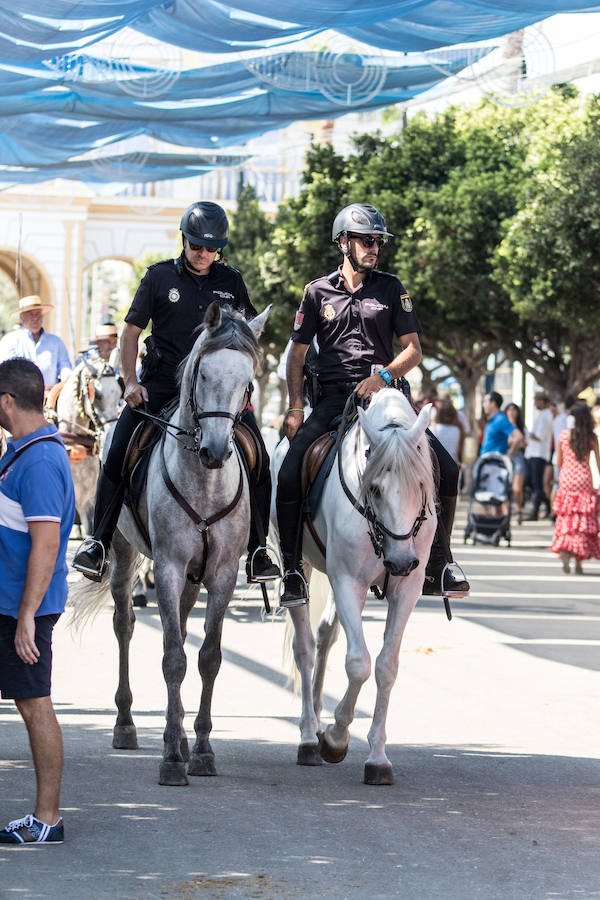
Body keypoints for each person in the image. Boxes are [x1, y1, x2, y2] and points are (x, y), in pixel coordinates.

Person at [72, 201, 278, 583]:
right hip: (161, 384)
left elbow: (246, 334)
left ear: (220, 249)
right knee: (117, 449)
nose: (203, 255)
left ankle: (259, 549)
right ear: (184, 240)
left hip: (215, 394)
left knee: (260, 459)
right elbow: (131, 332)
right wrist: (130, 382)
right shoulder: (158, 277)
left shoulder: (232, 282)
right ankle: (97, 542)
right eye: (197, 246)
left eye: (211, 249)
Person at [276, 202, 470, 606]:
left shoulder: (391, 287)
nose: (374, 248)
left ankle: (441, 563)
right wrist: (296, 407)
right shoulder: (316, 292)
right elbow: (296, 356)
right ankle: (293, 570)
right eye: (366, 240)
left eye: (378, 241)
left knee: (447, 469)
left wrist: (381, 376)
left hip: (386, 396)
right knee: (291, 469)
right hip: (333, 399)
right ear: (343, 242)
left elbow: (413, 350)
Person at [0, 358, 75, 844]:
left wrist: (27, 614)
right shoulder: (20, 449)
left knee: (34, 705)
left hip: (21, 609)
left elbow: (47, 545)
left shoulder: (42, 460)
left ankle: (47, 819)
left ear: (7, 401)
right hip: (8, 604)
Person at [550, 402, 600, 574]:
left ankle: (565, 550)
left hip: (567, 479)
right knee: (582, 522)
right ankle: (578, 562)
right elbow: (599, 464)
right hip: (585, 480)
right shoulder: (591, 438)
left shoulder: (564, 436)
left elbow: (558, 462)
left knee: (567, 519)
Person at [0, 296, 72, 388]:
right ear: (22, 317)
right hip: (18, 397)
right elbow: (6, 371)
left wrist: (67, 380)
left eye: (38, 314)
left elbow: (65, 367)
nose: (35, 318)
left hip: (49, 397)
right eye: (30, 314)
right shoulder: (10, 340)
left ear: (42, 316)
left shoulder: (56, 342)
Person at [523, 391, 554, 520]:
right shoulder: (543, 415)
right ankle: (548, 507)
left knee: (536, 484)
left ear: (542, 401)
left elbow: (540, 436)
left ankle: (536, 511)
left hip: (538, 454)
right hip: (534, 453)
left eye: (537, 400)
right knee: (533, 483)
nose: (535, 403)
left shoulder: (546, 416)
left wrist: (527, 434)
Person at [505, 402, 527, 524]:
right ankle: (506, 513)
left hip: (518, 457)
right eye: (509, 410)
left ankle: (519, 510)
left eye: (514, 410)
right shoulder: (503, 426)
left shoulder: (521, 428)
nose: (512, 412)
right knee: (504, 487)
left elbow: (524, 443)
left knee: (517, 488)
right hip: (505, 457)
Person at [430, 396, 464, 463]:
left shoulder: (434, 428)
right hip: (452, 463)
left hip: (439, 464)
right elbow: (456, 452)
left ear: (439, 413)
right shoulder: (457, 430)